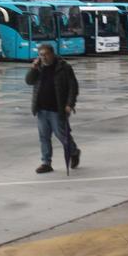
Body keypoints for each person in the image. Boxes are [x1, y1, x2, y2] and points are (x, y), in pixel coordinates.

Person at [25, 43, 80, 174]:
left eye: (46, 54)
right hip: (41, 109)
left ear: (52, 54)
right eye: (41, 55)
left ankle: (74, 151)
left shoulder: (64, 67)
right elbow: (28, 81)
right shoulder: (38, 68)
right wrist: (33, 68)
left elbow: (73, 87)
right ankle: (46, 163)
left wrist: (69, 104)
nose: (44, 57)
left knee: (62, 135)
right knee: (44, 137)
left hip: (57, 109)